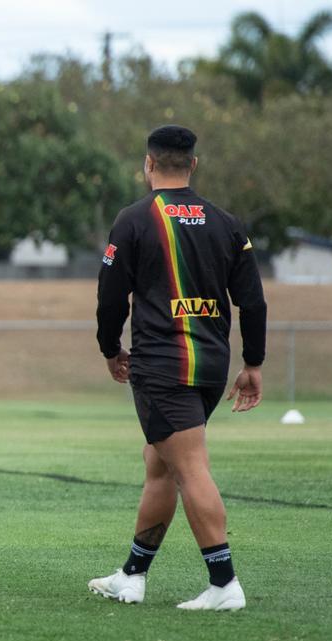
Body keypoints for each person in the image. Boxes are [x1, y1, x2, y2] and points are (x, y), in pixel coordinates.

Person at [90, 125, 267, 611]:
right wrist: (253, 362)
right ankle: (132, 575)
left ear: (148, 164)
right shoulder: (227, 223)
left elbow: (110, 298)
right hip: (210, 366)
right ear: (193, 165)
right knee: (160, 465)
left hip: (163, 366)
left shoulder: (133, 220)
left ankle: (224, 584)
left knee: (188, 467)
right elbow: (252, 301)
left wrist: (110, 348)